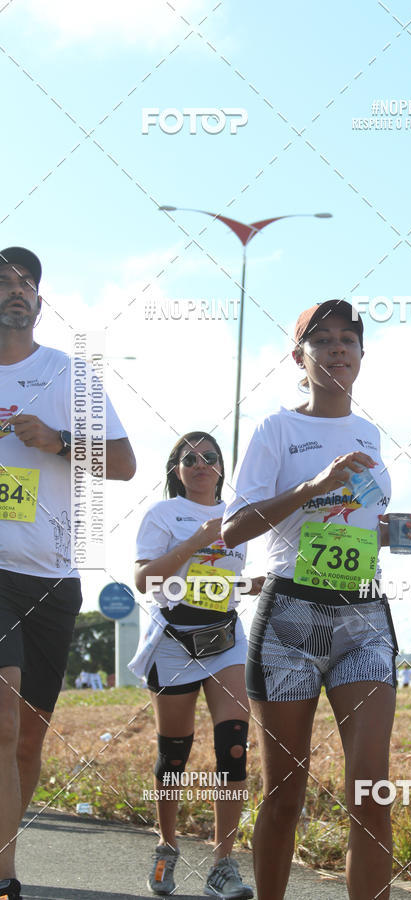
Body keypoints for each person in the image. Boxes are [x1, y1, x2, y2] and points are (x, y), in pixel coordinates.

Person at [222, 300, 411, 900]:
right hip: (290, 617)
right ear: (299, 358)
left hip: (362, 614)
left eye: (349, 339)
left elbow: (350, 523)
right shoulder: (276, 429)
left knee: (371, 788)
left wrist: (391, 531)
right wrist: (314, 484)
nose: (338, 347)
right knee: (286, 795)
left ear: (362, 355)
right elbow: (234, 530)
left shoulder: (369, 432)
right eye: (323, 340)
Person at [0, 246, 135, 900]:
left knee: (27, 742)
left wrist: (60, 442)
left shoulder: (68, 376)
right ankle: (5, 877)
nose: (16, 291)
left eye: (26, 282)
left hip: (51, 577)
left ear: (40, 300)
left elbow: (126, 462)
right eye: (3, 282)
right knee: (2, 722)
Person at [130, 432, 262, 898]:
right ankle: (166, 846)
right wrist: (197, 540)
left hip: (224, 638)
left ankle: (223, 863)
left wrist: (255, 585)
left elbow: (226, 584)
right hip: (173, 641)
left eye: (210, 457)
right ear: (176, 470)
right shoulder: (163, 514)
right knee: (174, 754)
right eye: (190, 459)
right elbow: (146, 579)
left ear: (222, 467)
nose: (201, 464)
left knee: (233, 748)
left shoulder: (240, 515)